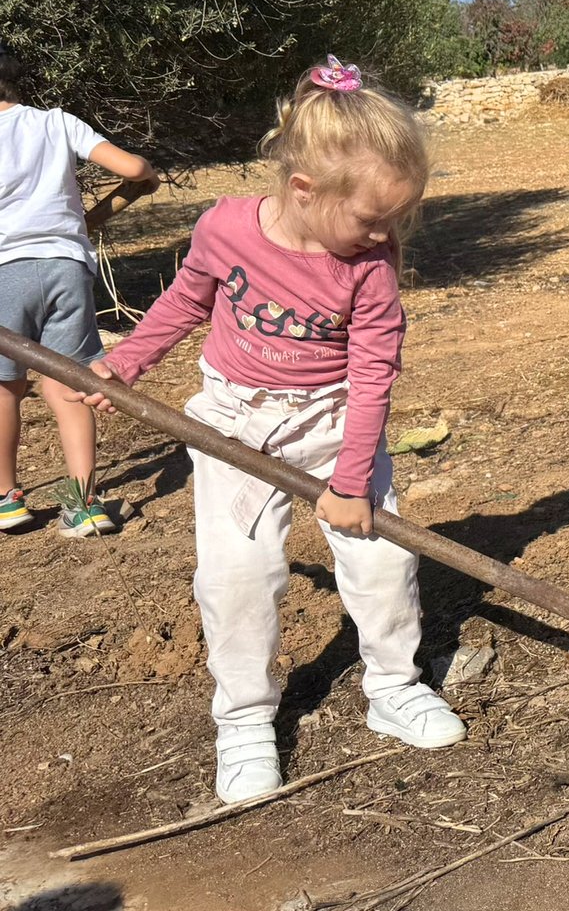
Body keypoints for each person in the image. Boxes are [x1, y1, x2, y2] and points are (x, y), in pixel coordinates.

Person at [77, 57, 465, 803]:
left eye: (396, 219)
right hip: (235, 423)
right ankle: (246, 720)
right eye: (373, 219)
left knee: (382, 564)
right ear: (303, 190)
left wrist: (352, 480)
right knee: (239, 576)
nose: (386, 234)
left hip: (334, 421)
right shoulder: (225, 227)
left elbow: (375, 371)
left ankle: (393, 686)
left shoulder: (368, 265)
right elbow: (187, 302)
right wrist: (127, 361)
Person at [0, 43, 156, 536]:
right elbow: (131, 170)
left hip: (4, 270)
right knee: (70, 382)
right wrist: (147, 172)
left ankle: (7, 499)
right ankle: (82, 503)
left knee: (4, 386)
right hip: (66, 265)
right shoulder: (55, 121)